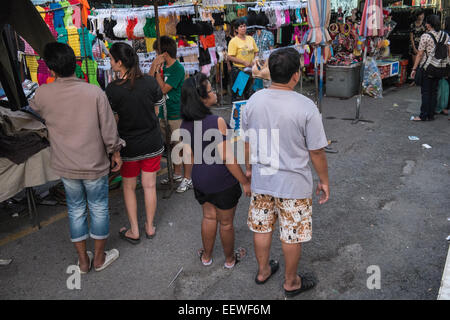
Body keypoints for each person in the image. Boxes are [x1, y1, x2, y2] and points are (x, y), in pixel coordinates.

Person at [242, 48, 330, 297]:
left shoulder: (254, 101)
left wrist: (249, 168)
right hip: (293, 184)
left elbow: (247, 142)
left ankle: (262, 271)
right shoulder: (305, 106)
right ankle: (291, 282)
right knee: (291, 235)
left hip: (262, 179)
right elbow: (316, 152)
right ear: (295, 75)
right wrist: (324, 180)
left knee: (262, 227)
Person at [30, 42, 123, 273]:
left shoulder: (43, 94)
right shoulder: (94, 92)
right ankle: (100, 258)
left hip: (66, 165)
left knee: (75, 209)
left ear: (51, 70)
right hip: (94, 164)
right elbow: (109, 130)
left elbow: (33, 109)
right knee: (99, 207)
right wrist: (116, 152)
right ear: (76, 64)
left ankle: (83, 262)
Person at [179, 73, 251, 268]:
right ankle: (229, 259)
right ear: (201, 98)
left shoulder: (184, 124)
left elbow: (189, 156)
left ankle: (206, 257)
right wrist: (244, 181)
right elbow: (228, 157)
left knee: (209, 216)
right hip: (222, 181)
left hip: (200, 178)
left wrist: (192, 177)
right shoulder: (216, 121)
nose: (215, 92)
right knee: (226, 223)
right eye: (210, 90)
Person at [106, 42, 164, 244]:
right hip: (152, 143)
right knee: (149, 186)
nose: (110, 62)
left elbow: (113, 122)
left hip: (128, 146)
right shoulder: (149, 82)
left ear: (120, 63)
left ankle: (134, 230)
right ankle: (149, 226)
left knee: (129, 188)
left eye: (111, 59)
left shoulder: (112, 90)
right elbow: (157, 111)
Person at [149, 36, 193, 193]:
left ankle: (187, 178)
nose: (155, 56)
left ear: (164, 54)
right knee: (171, 147)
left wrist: (157, 72)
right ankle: (177, 174)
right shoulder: (162, 68)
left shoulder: (177, 69)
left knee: (182, 146)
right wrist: (155, 68)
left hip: (176, 113)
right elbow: (149, 82)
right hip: (163, 112)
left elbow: (163, 89)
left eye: (156, 53)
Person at [411, 14, 450, 121]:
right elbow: (448, 51)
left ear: (429, 24)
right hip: (440, 67)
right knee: (434, 91)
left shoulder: (425, 36)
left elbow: (419, 54)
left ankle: (423, 115)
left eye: (427, 23)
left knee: (426, 92)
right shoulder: (445, 36)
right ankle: (431, 115)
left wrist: (414, 69)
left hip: (427, 67)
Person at [228, 18, 259, 101]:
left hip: (250, 70)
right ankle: (238, 112)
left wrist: (255, 59)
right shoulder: (233, 41)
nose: (243, 28)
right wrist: (243, 62)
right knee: (239, 95)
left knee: (249, 93)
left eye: (244, 26)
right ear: (236, 29)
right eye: (241, 27)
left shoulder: (250, 38)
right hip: (240, 70)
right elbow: (230, 57)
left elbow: (256, 51)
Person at [409, 10, 426, 85]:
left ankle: (421, 80)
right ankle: (414, 80)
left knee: (422, 63)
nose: (422, 16)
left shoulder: (425, 25)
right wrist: (414, 47)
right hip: (414, 45)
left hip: (422, 45)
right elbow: (411, 37)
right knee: (415, 64)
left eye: (423, 14)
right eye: (421, 14)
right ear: (417, 15)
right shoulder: (412, 25)